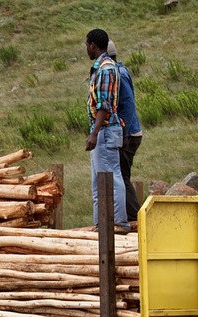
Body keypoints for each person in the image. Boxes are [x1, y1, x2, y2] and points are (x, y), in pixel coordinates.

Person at [84, 28, 128, 230]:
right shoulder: (101, 67)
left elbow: (104, 104)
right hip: (101, 130)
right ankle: (101, 222)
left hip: (106, 130)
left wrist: (95, 133)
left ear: (93, 45)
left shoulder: (106, 69)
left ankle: (117, 221)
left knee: (110, 176)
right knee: (98, 179)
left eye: (87, 45)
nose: (86, 49)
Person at [108, 39, 143, 222]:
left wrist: (125, 133)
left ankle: (135, 218)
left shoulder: (118, 74)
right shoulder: (121, 70)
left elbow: (128, 105)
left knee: (121, 176)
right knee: (122, 175)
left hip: (128, 134)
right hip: (129, 131)